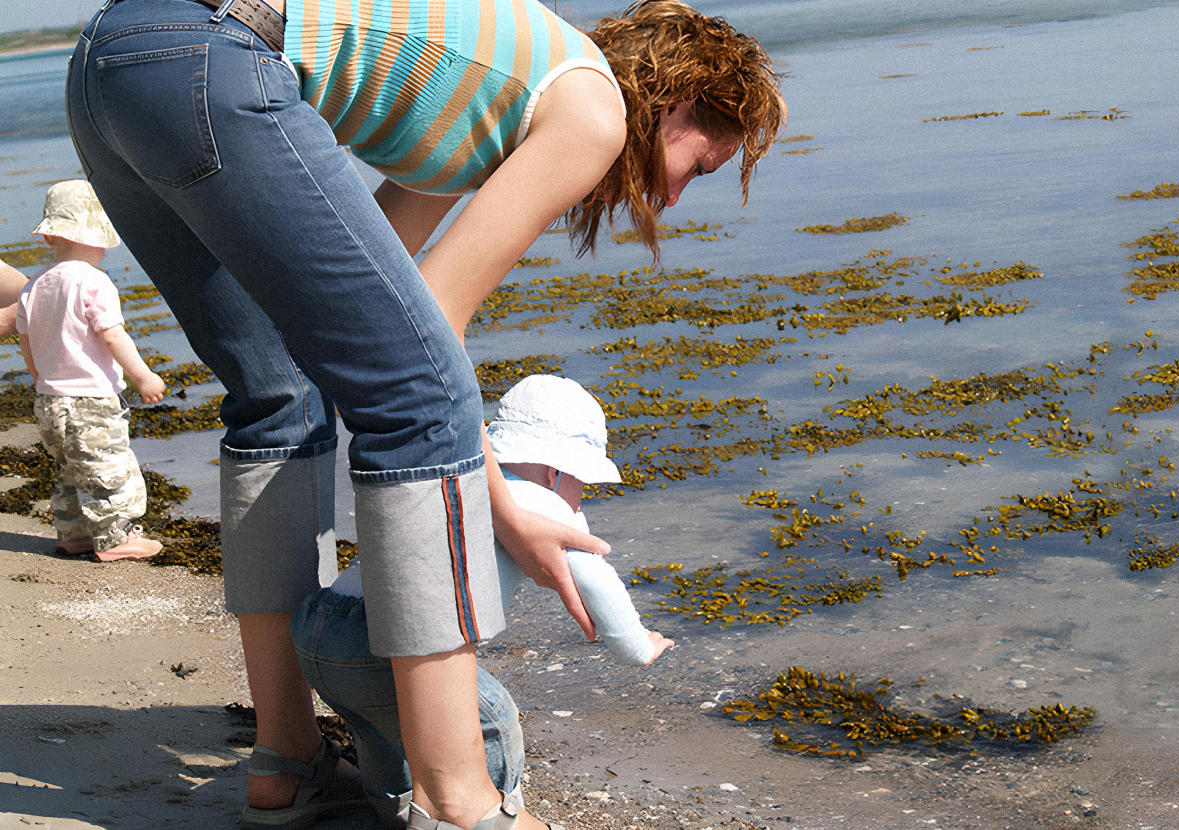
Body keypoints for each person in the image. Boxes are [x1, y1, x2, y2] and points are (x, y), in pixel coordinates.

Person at [67, 0, 783, 827]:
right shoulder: (593, 109)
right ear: (682, 102)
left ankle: (286, 758)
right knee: (426, 397)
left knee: (278, 393)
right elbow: (428, 332)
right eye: (703, 164)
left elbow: (377, 295)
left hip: (113, 58)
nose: (683, 194)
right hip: (217, 53)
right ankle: (461, 801)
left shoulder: (481, 109)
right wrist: (507, 511)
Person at [292, 374, 673, 828]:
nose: (581, 496)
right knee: (491, 719)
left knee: (378, 730)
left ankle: (394, 810)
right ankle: (492, 816)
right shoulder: (542, 503)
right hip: (375, 641)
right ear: (557, 471)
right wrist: (637, 646)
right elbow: (598, 580)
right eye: (583, 483)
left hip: (320, 627)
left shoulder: (461, 482)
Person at [14, 180, 167, 561]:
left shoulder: (33, 287)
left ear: (50, 236)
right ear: (98, 238)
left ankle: (74, 535)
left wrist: (39, 380)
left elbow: (25, 340)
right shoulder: (93, 281)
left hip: (50, 402)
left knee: (68, 471)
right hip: (92, 401)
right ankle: (117, 538)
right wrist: (143, 376)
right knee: (109, 468)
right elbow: (113, 337)